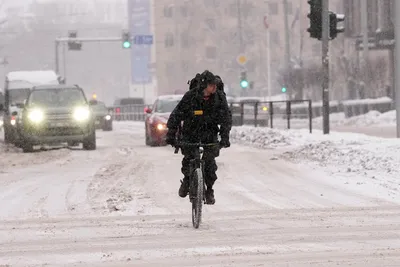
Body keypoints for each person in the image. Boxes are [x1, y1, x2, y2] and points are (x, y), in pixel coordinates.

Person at [165, 70, 232, 205]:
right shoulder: (190, 96)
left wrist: (225, 137)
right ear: (204, 86)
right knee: (189, 158)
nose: (214, 87)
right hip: (191, 132)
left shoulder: (219, 98)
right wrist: (171, 134)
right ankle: (187, 180)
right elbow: (177, 114)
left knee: (210, 163)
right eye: (211, 85)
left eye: (215, 85)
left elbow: (226, 118)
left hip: (209, 132)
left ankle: (209, 190)